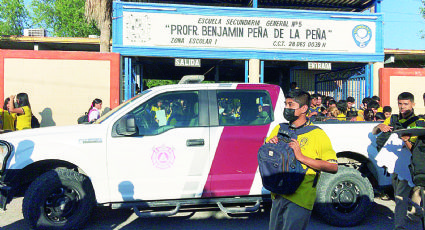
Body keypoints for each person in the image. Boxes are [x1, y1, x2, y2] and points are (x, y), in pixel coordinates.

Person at [265, 89, 338, 230]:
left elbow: (332, 166)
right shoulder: (279, 128)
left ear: (304, 108)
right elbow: (266, 157)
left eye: (291, 105)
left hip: (300, 198)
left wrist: (301, 157)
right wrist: (270, 146)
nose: (286, 108)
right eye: (285, 104)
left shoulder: (317, 134)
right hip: (278, 194)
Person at [372, 92, 425, 230]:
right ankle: (418, 211)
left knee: (401, 196)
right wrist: (379, 127)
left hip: (411, 165)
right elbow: (374, 132)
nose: (402, 107)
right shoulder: (393, 118)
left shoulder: (419, 122)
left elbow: (415, 149)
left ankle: (399, 226)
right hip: (395, 164)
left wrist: (406, 140)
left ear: (413, 104)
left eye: (406, 104)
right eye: (400, 104)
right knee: (398, 196)